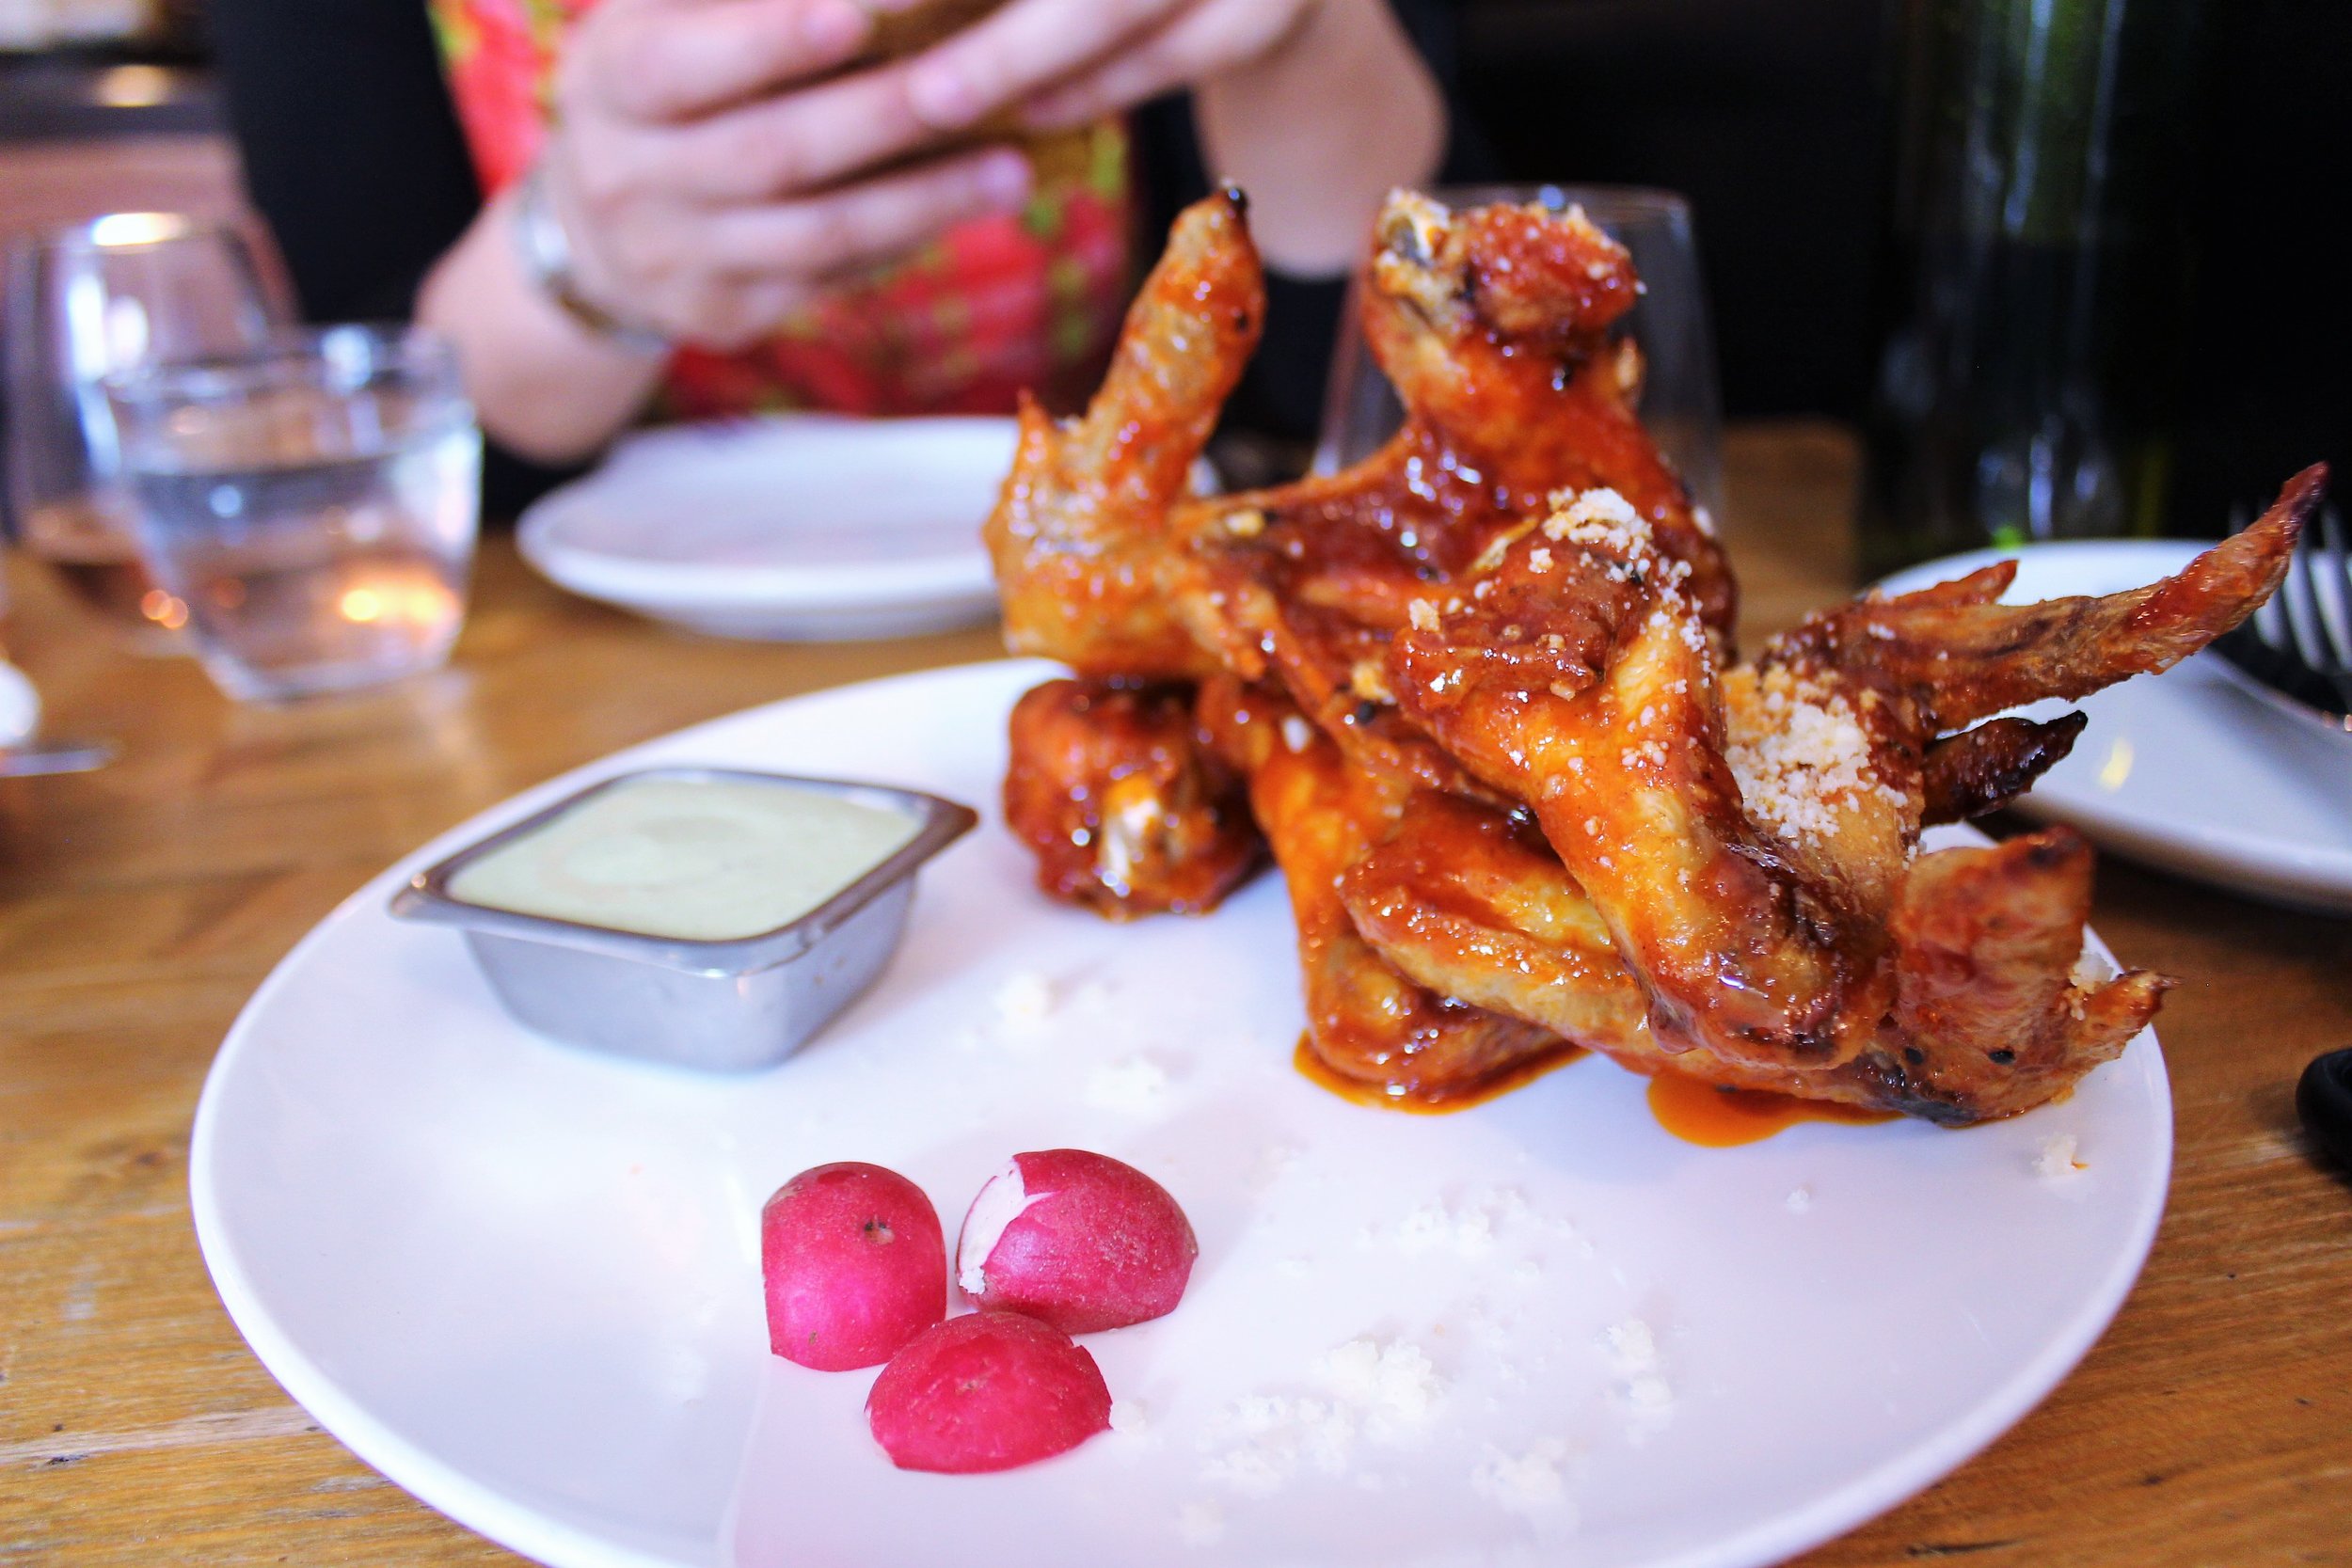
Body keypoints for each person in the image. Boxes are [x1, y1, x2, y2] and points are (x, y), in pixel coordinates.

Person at [207, 0, 1475, 499]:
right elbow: (339, 465)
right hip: (547, 700)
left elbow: (1407, 430)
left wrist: (1315, 43)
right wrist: (577, 258)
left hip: (1141, 643)